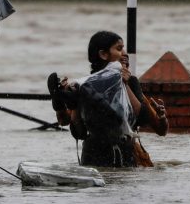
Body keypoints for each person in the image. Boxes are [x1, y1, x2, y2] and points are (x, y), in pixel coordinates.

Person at [47, 31, 168, 167]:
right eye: (119, 48)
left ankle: (64, 99)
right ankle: (64, 98)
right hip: (107, 158)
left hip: (111, 157)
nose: (125, 53)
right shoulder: (86, 86)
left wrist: (124, 84)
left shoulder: (129, 82)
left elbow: (158, 127)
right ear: (103, 54)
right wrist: (69, 102)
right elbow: (76, 129)